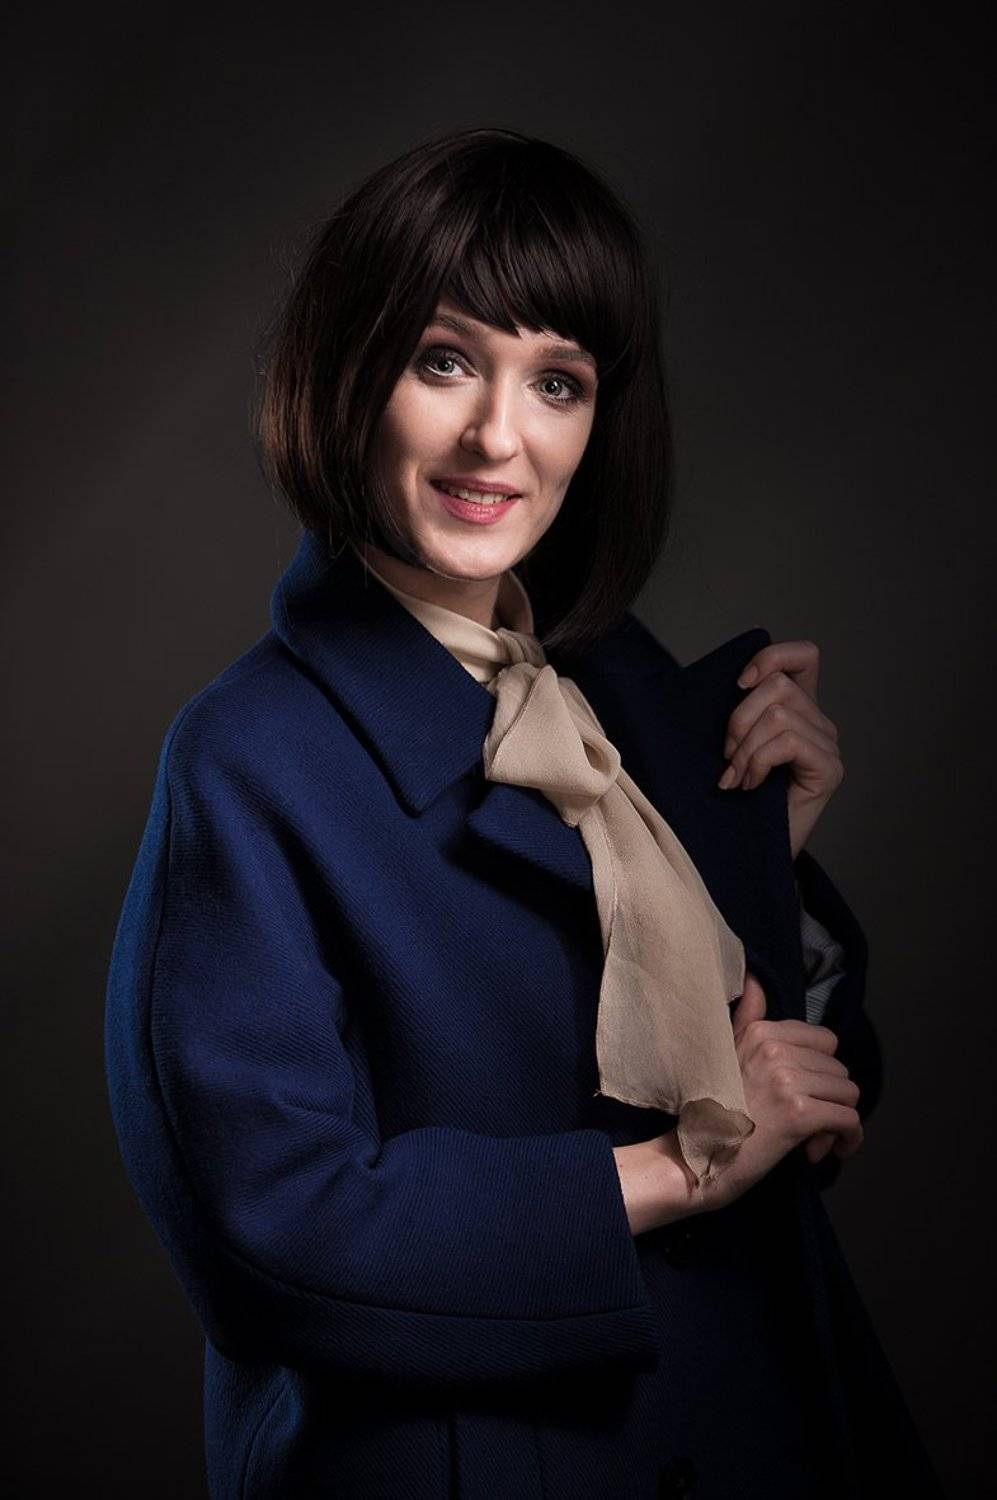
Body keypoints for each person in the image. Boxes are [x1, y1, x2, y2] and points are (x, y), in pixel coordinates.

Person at [104, 127, 943, 1498]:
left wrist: (759, 861)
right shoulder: (248, 756)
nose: (498, 436)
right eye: (444, 361)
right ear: (347, 370)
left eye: (557, 381)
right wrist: (675, 1171)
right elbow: (274, 1235)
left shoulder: (621, 689)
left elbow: (804, 1101)